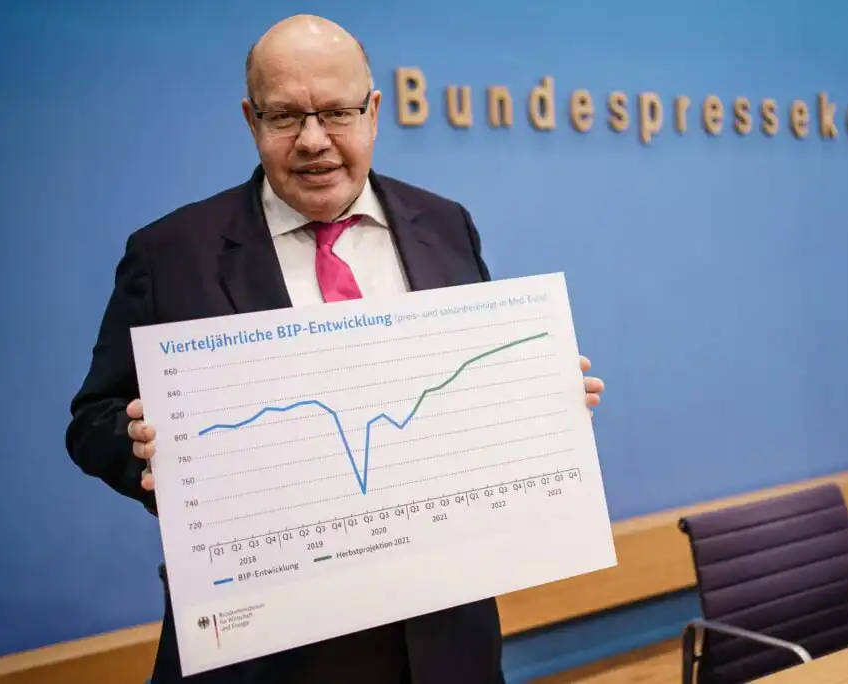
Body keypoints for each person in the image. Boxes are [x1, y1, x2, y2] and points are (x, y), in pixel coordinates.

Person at [65, 13, 605, 684]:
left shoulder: (445, 224)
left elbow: (468, 390)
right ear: (250, 119)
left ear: (374, 111)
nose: (313, 141)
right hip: (264, 645)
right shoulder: (171, 254)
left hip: (439, 638)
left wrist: (539, 403)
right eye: (285, 117)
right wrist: (140, 445)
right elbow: (93, 420)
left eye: (336, 114)